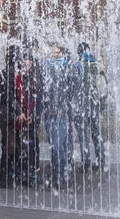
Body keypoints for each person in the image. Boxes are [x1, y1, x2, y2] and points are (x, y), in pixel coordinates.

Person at [72, 42, 106, 170]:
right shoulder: (97, 64)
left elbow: (73, 87)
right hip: (95, 105)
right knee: (96, 134)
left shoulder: (77, 65)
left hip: (81, 107)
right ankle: (101, 161)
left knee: (83, 136)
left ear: (78, 52)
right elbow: (104, 88)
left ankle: (86, 163)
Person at [43, 43, 73, 189]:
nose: (54, 55)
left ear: (62, 53)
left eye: (57, 52)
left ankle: (63, 176)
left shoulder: (67, 67)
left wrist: (67, 107)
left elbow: (72, 89)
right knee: (54, 145)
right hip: (49, 113)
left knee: (58, 146)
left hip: (62, 113)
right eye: (52, 52)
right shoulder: (46, 68)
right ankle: (56, 175)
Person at [16, 48, 44, 186]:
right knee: (22, 142)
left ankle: (33, 166)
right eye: (24, 61)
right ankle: (24, 168)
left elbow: (40, 98)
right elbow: (15, 95)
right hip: (21, 114)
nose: (27, 64)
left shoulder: (36, 76)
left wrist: (33, 115)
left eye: (29, 62)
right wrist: (20, 111)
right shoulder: (19, 76)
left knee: (33, 141)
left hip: (33, 115)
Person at [0, 45, 20, 187]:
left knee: (8, 144)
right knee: (11, 145)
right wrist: (19, 110)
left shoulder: (5, 71)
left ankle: (7, 174)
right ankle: (6, 177)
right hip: (10, 113)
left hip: (5, 112)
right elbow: (10, 94)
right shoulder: (12, 72)